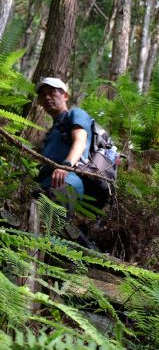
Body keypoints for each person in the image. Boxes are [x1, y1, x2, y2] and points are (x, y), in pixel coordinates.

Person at [35, 77, 95, 247]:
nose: (47, 98)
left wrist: (65, 166)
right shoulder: (50, 132)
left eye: (52, 93)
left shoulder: (76, 114)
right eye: (43, 95)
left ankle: (90, 261)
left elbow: (80, 139)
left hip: (68, 181)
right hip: (45, 184)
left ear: (65, 96)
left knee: (52, 219)